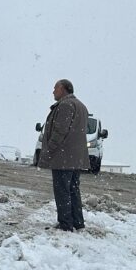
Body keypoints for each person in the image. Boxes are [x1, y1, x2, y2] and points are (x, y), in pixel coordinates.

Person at [37, 79, 90, 232]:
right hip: (75, 157)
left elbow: (60, 131)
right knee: (73, 190)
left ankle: (66, 224)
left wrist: (49, 150)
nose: (53, 91)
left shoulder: (66, 105)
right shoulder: (81, 106)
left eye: (55, 88)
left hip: (63, 157)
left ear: (64, 89)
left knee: (62, 190)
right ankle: (77, 222)